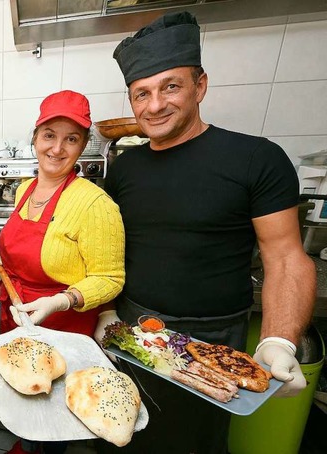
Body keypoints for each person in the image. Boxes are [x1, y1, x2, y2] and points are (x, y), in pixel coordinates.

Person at [95, 11, 316, 454]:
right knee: (121, 438)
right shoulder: (125, 169)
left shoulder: (256, 159)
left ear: (201, 85)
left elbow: (287, 257)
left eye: (170, 86)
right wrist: (105, 313)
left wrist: (278, 340)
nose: (155, 105)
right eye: (142, 93)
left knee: (194, 444)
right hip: (133, 333)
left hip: (213, 345)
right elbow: (107, 252)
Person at [0, 90, 126, 454]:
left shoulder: (95, 204)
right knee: (24, 405)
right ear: (35, 138)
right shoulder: (23, 190)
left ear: (82, 147)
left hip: (63, 328)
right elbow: (16, 250)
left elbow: (110, 278)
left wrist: (61, 301)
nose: (57, 148)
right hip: (16, 317)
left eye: (71, 138)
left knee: (51, 419)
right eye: (49, 135)